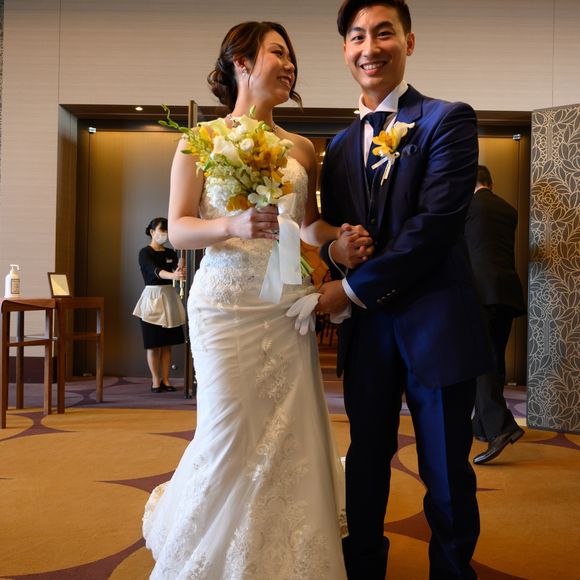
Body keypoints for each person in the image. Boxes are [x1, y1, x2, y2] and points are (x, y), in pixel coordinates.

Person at [142, 21, 348, 579]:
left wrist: (339, 238)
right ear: (241, 61)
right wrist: (230, 224)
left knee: (290, 433)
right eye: (278, 53)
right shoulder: (201, 139)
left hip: (285, 305)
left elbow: (307, 226)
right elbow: (180, 227)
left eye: (291, 56)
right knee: (229, 430)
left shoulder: (301, 148)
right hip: (226, 304)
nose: (290, 65)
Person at [316, 1, 492, 578]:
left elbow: (434, 227)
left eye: (383, 33)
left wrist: (350, 291)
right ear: (346, 49)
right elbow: (338, 231)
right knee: (366, 463)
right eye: (357, 37)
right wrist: (335, 255)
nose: (370, 48)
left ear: (408, 42)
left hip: (435, 324)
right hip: (368, 334)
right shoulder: (338, 146)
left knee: (445, 471)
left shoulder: (448, 119)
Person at [465, 165, 526, 465]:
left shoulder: (467, 207)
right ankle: (481, 425)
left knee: (480, 361)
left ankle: (501, 427)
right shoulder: (508, 209)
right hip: (507, 293)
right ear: (490, 182)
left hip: (480, 292)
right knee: (494, 360)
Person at [133, 217, 186, 393]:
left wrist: (180, 269)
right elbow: (155, 270)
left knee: (167, 343)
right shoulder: (145, 253)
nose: (165, 234)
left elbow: (177, 269)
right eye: (162, 230)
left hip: (169, 298)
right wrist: (172, 276)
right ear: (152, 232)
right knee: (153, 344)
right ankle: (156, 381)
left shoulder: (171, 252)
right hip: (152, 298)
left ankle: (166, 380)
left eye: (167, 231)